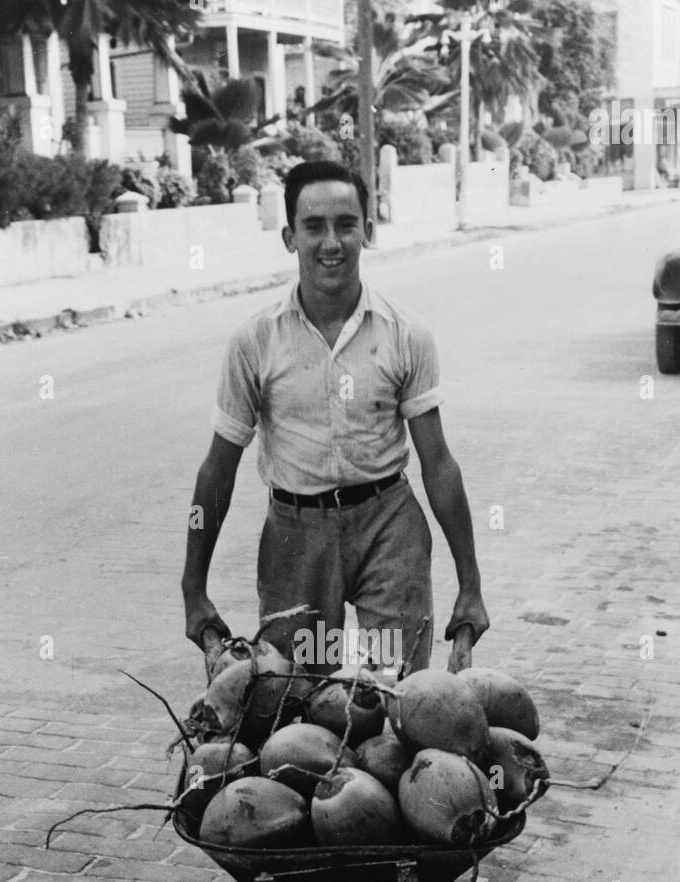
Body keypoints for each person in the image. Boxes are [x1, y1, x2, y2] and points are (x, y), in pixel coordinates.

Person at [181, 159, 489, 676]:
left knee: (396, 699)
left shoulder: (405, 334)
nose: (332, 242)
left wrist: (471, 584)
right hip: (294, 538)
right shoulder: (254, 341)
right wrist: (194, 586)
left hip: (389, 528)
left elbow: (438, 463)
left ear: (367, 231)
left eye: (347, 225)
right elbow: (217, 471)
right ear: (289, 237)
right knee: (294, 705)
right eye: (314, 226)